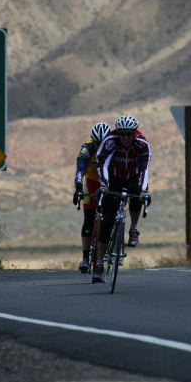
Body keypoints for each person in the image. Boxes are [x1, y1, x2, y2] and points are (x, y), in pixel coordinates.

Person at [91, 115, 152, 283]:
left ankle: (133, 228)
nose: (125, 138)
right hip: (114, 180)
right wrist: (104, 184)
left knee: (137, 196)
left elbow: (144, 169)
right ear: (118, 132)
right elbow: (102, 164)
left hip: (133, 178)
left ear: (135, 133)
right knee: (107, 222)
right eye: (122, 134)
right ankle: (99, 263)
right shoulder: (111, 141)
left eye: (129, 134)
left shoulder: (142, 144)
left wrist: (143, 191)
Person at [74, 121, 112, 273]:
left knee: (110, 214)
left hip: (108, 183)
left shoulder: (113, 147)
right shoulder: (87, 148)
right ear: (93, 141)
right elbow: (80, 169)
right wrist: (77, 187)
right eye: (97, 143)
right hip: (90, 182)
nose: (99, 146)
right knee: (89, 218)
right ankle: (85, 257)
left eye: (103, 143)